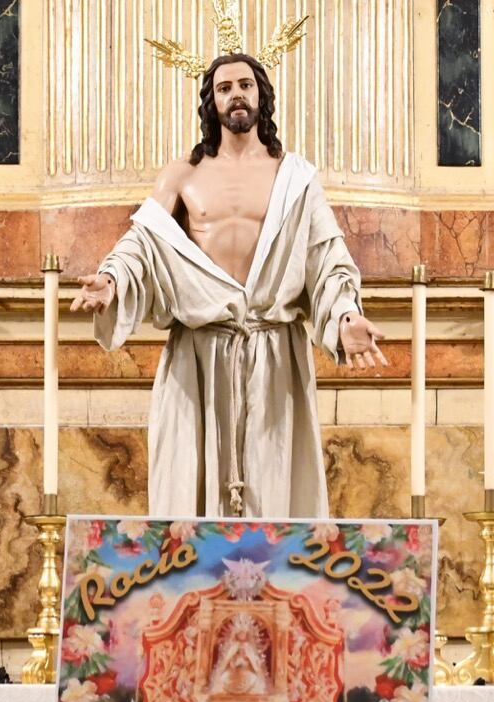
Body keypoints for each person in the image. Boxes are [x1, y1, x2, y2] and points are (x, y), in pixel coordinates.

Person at [70, 51, 387, 519]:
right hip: (199, 353)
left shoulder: (295, 179)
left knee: (275, 489)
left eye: (244, 85)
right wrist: (113, 279)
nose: (235, 94)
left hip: (273, 354)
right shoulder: (183, 175)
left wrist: (344, 316)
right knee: (189, 493)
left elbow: (327, 258)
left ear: (261, 94)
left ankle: (276, 592)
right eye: (224, 88)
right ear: (211, 102)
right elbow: (143, 239)